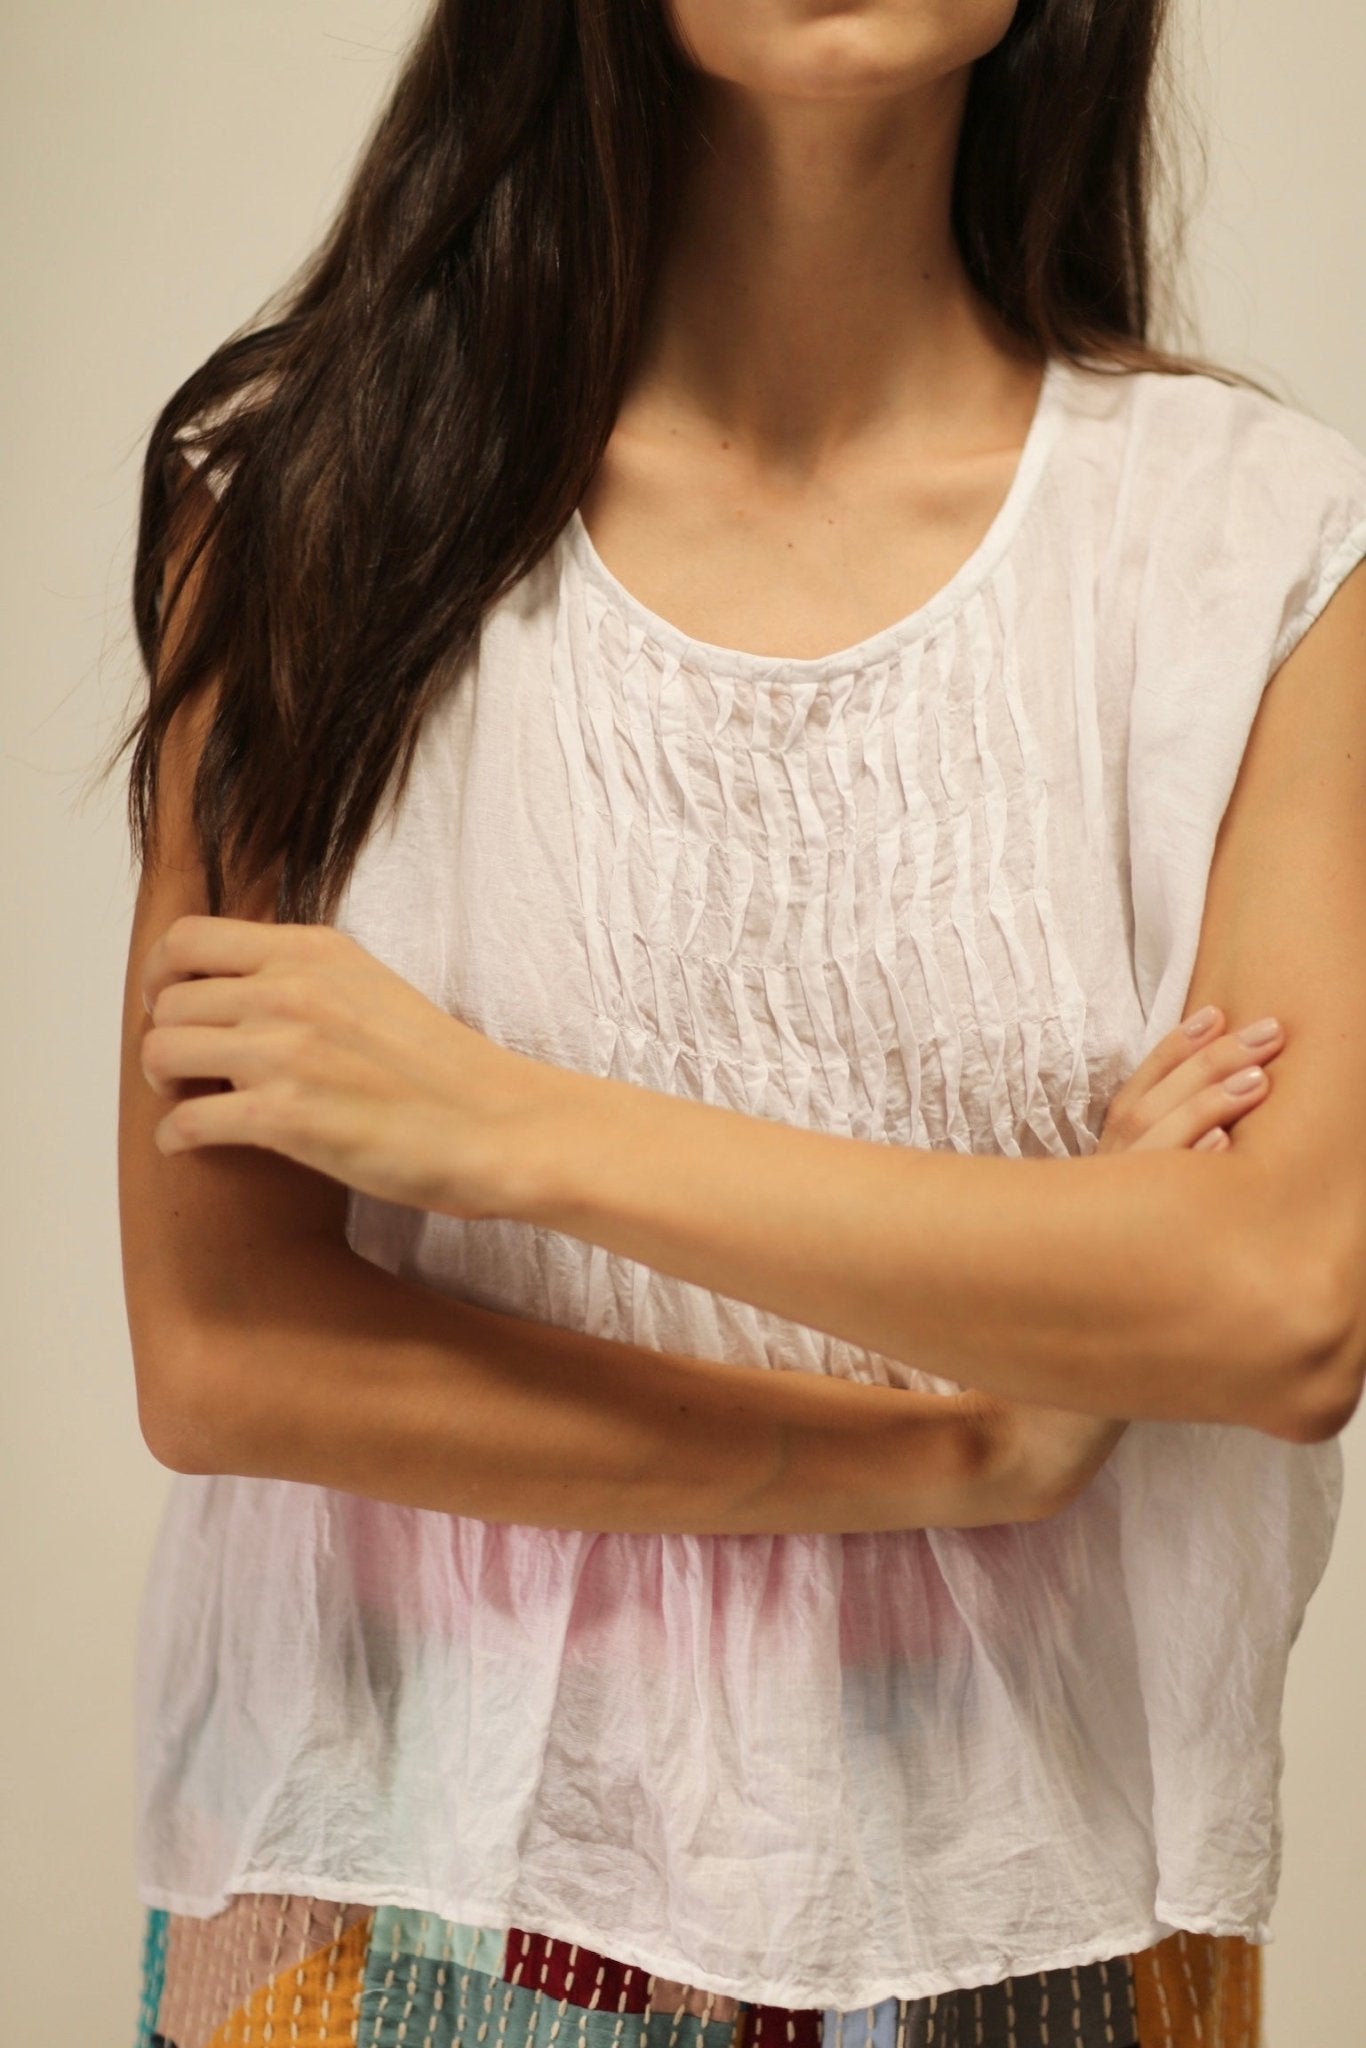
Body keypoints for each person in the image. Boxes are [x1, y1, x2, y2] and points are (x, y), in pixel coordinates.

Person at [108, 2, 1366, 2044]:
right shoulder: (312, 501)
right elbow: (229, 1354)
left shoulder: (1251, 549)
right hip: (406, 1880)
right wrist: (965, 1444)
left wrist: (513, 1131)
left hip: (1031, 1916)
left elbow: (1282, 1302)